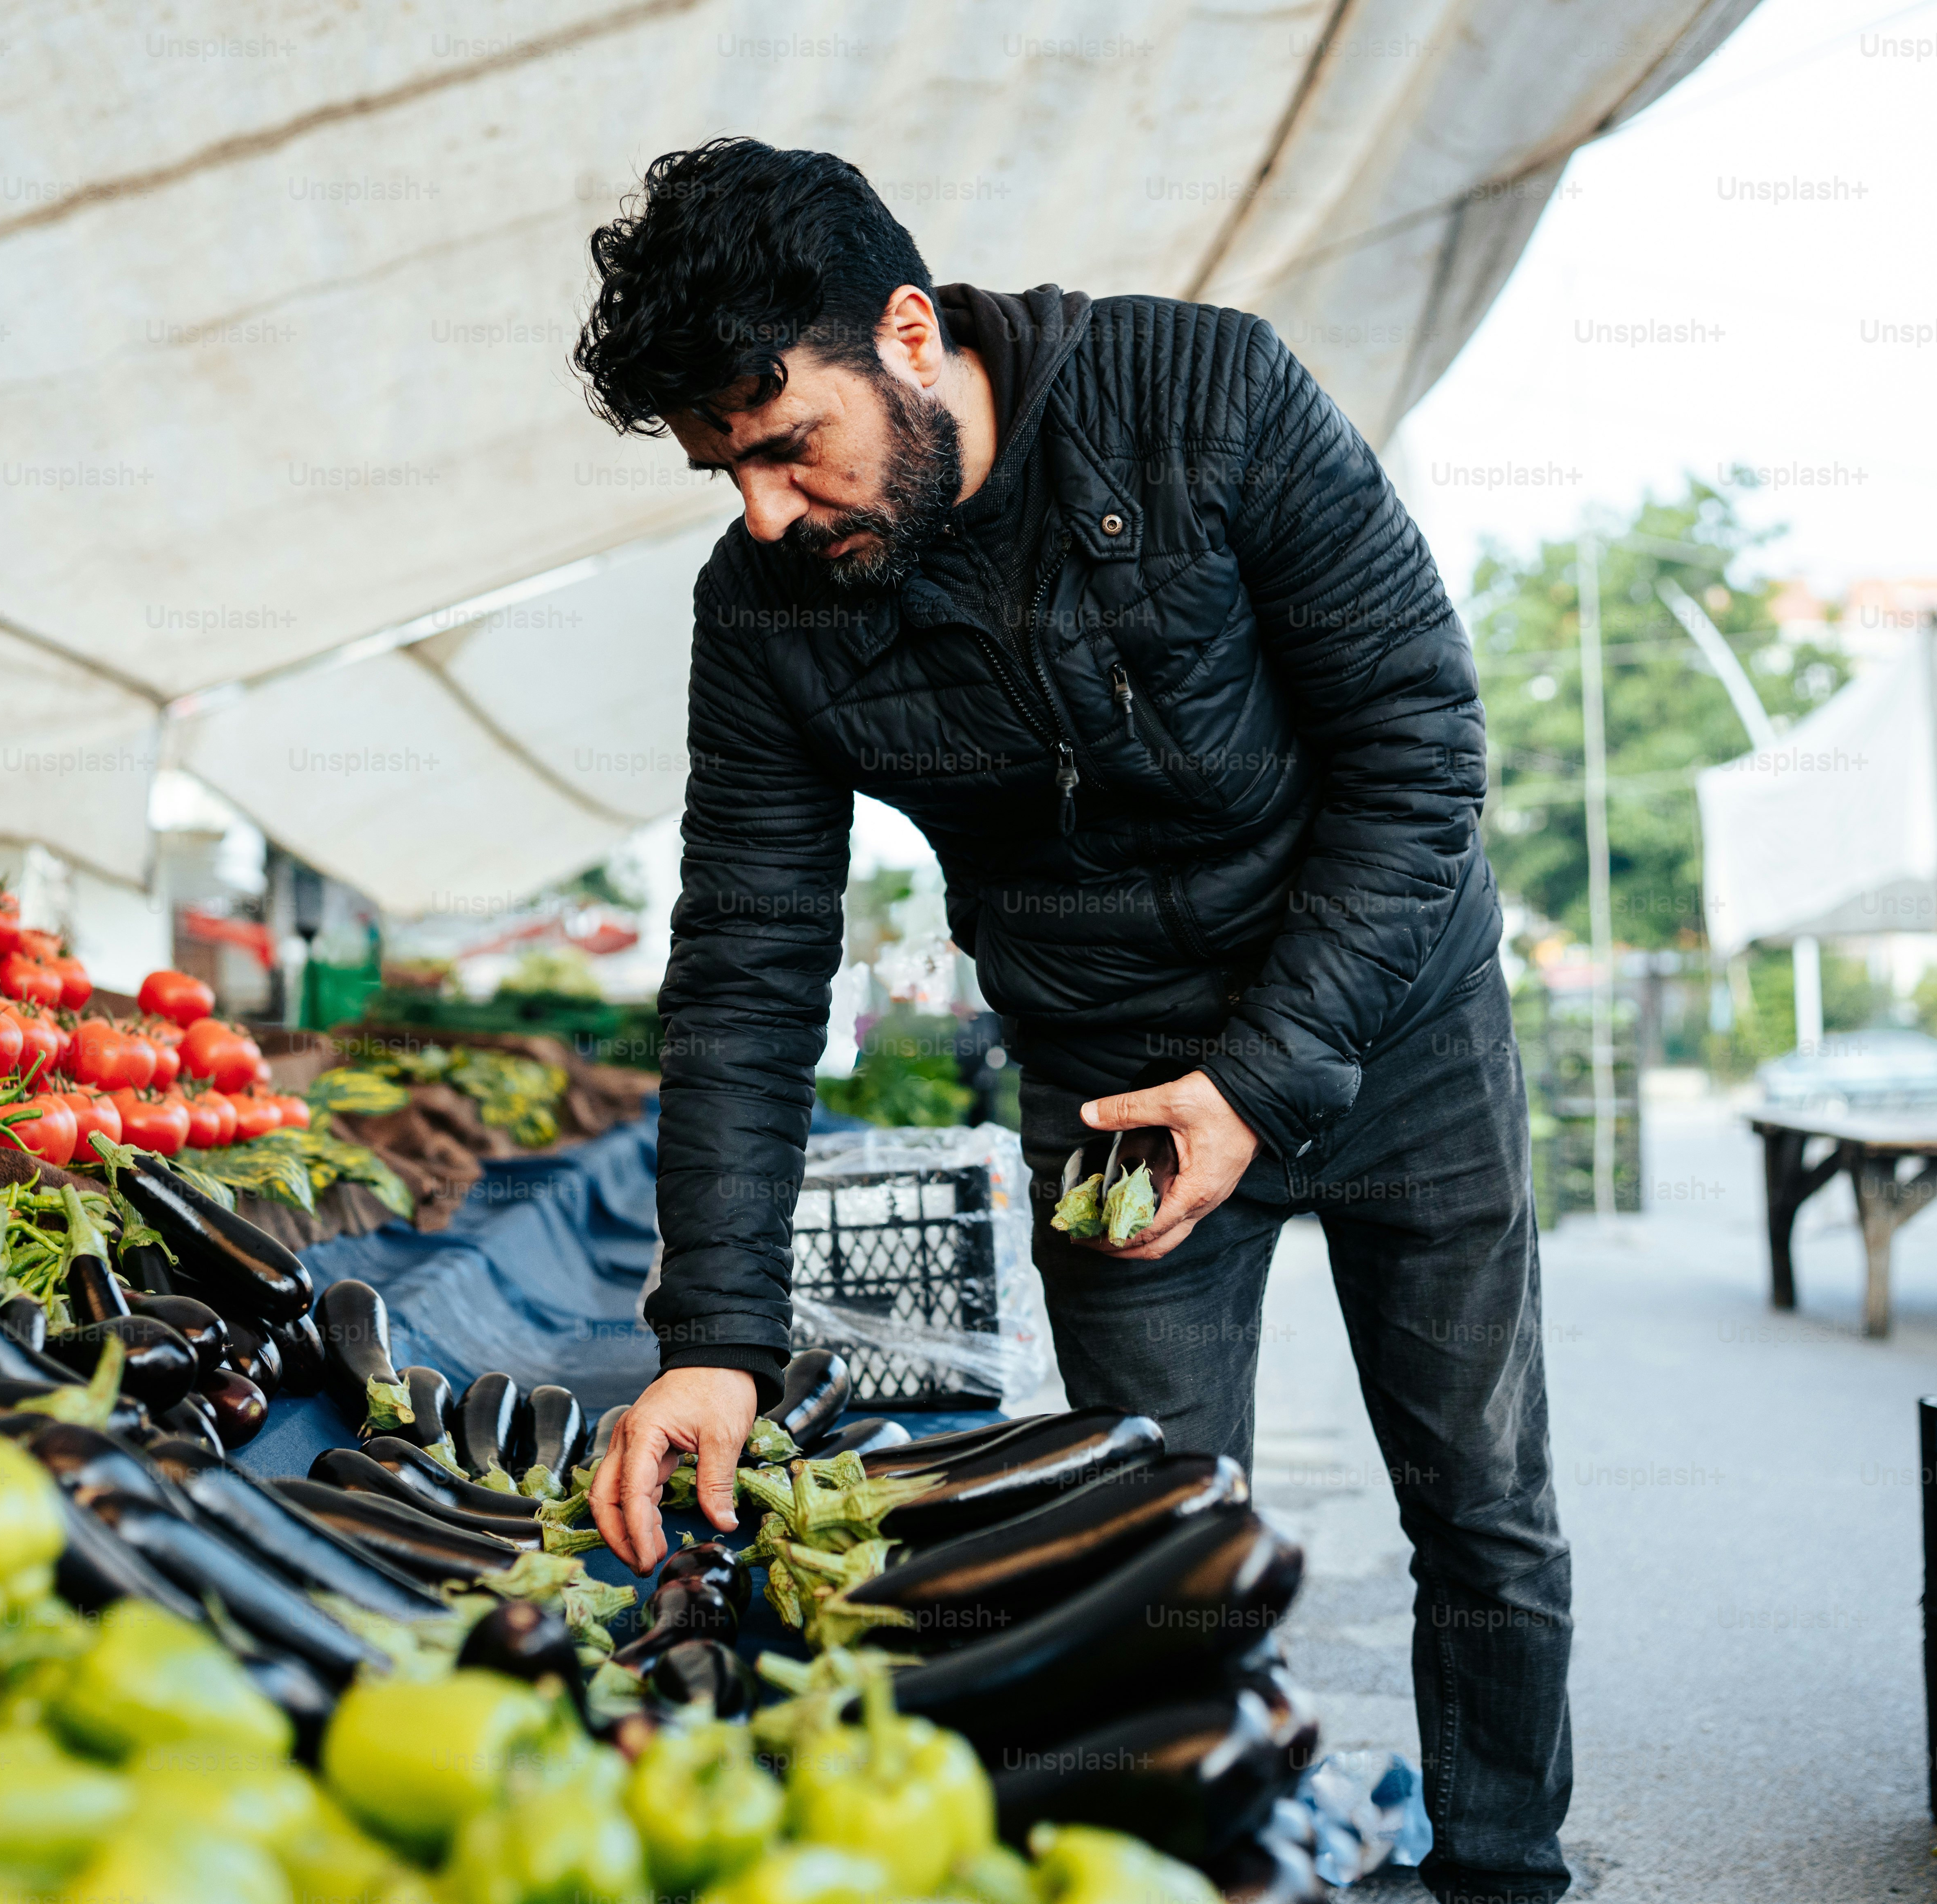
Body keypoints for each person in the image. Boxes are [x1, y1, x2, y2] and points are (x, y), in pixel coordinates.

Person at [571, 139, 1571, 1904]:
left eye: (787, 444)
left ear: (905, 330)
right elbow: (745, 972)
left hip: (1393, 1022)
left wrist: (1262, 1076)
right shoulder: (764, 616)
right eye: (724, 472)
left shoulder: (1202, 394)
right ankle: (1225, 1871)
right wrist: (712, 1335)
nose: (765, 513)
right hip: (1112, 1093)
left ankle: (1502, 1873)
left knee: (1484, 1512)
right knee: (1159, 1556)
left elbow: (1423, 755)